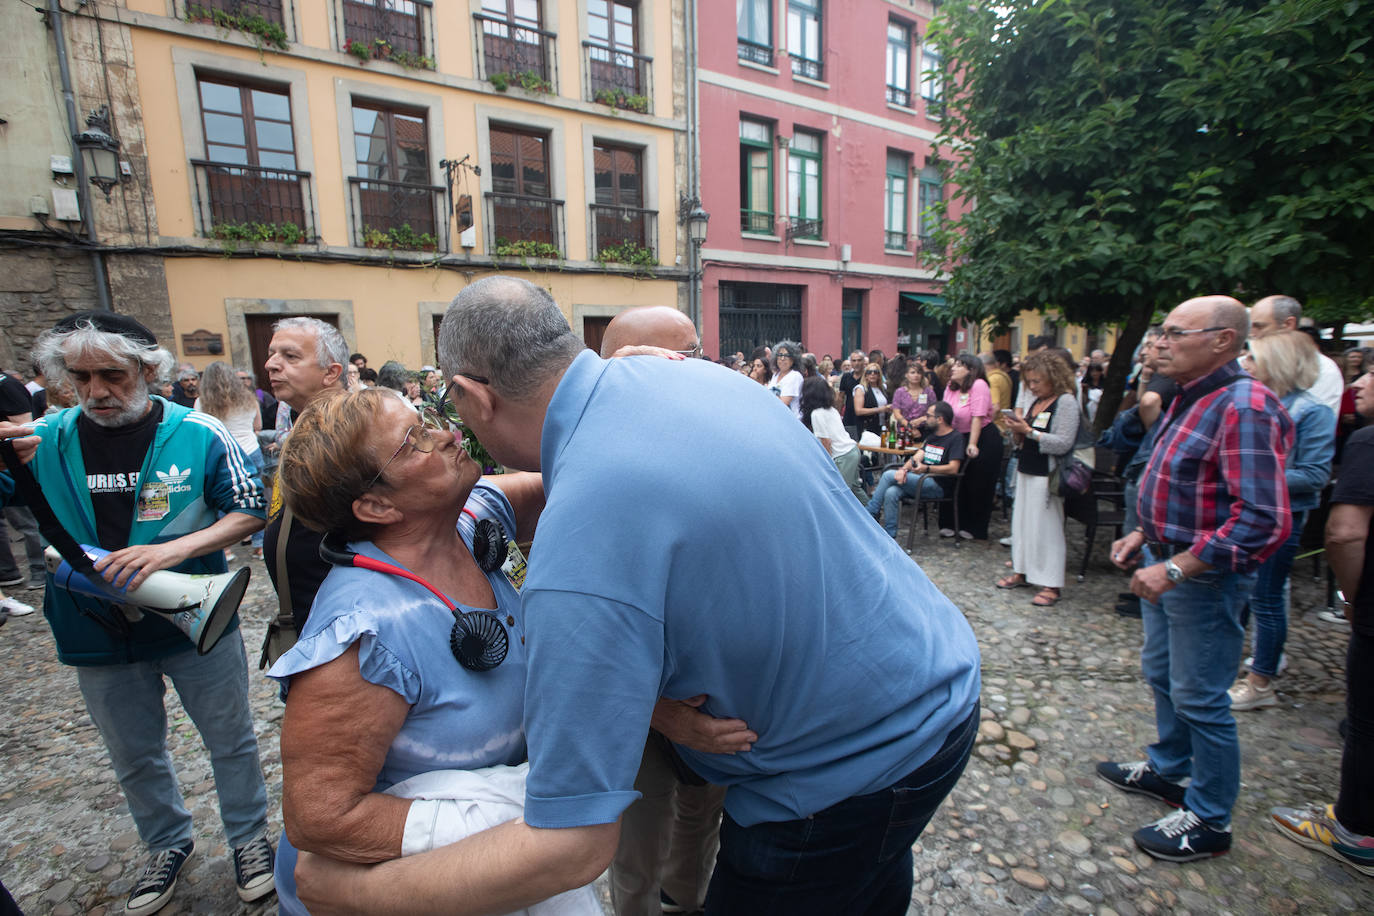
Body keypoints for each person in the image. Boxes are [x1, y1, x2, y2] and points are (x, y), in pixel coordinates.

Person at [294, 276, 982, 915]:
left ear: (475, 398)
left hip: (843, 776)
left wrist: (354, 895)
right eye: (415, 437)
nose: (445, 432)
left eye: (438, 413)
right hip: (932, 694)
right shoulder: (685, 377)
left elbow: (572, 843)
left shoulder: (573, 543)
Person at [265, 389, 592, 913]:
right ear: (376, 505)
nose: (448, 435)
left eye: (429, 422)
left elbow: (578, 476)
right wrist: (504, 831)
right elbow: (319, 818)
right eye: (414, 443)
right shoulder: (362, 635)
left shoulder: (472, 518)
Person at [0, 312, 274, 914]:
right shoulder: (41, 438)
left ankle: (250, 839)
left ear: (149, 370)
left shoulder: (201, 432)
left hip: (198, 620)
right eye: (80, 377)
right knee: (134, 754)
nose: (96, 391)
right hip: (92, 630)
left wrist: (169, 551)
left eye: (112, 375)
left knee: (230, 742)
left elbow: (252, 509)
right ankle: (165, 845)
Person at [1100, 296, 1292, 862]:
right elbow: (1174, 479)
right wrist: (1141, 534)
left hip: (1200, 577)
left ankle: (1209, 817)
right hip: (1164, 559)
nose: (1161, 340)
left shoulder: (1246, 405)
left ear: (1222, 341)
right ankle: (1168, 769)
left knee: (1202, 696)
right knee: (1162, 674)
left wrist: (1180, 565)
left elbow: (1263, 518)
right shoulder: (1192, 396)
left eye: (1176, 332)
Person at [599, 306, 747, 916]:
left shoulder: (727, 442)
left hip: (715, 698)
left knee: (699, 830)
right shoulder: (592, 469)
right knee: (634, 849)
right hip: (637, 711)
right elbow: (569, 630)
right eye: (680, 359)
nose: (698, 371)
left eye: (699, 356)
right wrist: (658, 711)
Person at [1268, 367, 1374, 876]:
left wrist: (1353, 599)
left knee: (1366, 720)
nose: (1363, 381)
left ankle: (1354, 829)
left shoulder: (1366, 442)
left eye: (1373, 375)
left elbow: (1346, 534)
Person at [1227, 331, 1334, 710]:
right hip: (1241, 514)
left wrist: (1248, 474)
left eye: (1253, 357)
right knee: (1236, 594)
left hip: (1279, 521)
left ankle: (1261, 682)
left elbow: (1315, 475)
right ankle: (1230, 668)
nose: (1245, 364)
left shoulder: (1311, 410)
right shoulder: (1252, 403)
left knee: (1266, 600)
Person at [260, 318, 348, 663]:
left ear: (331, 373)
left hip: (336, 629)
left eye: (290, 356)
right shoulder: (306, 421)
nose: (271, 364)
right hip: (307, 619)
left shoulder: (353, 428)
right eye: (271, 354)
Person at [995, 351, 1080, 607]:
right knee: (1022, 525)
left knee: (1047, 530)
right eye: (1029, 382)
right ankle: (1022, 571)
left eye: (1037, 381)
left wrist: (1029, 432)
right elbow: (1027, 436)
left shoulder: (1065, 402)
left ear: (1053, 377)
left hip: (1048, 473)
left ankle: (1051, 583)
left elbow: (1063, 443)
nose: (1032, 386)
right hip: (1026, 468)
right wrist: (1017, 433)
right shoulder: (1036, 402)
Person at [195, 361, 267, 559]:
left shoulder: (202, 402)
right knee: (256, 498)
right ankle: (259, 545)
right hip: (250, 450)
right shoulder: (249, 399)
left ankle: (224, 548)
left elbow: (201, 431)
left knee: (219, 500)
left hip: (222, 453)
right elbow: (257, 425)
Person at [865, 401, 965, 539]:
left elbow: (954, 468)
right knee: (891, 492)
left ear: (940, 419)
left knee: (888, 475)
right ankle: (889, 536)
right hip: (921, 479)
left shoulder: (955, 438)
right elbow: (916, 458)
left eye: (929, 416)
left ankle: (869, 513)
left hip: (939, 484)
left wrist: (927, 468)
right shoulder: (932, 437)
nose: (925, 418)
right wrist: (904, 470)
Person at [942, 354, 1003, 541]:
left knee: (977, 483)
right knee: (953, 480)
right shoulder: (951, 387)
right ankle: (951, 523)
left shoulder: (979, 385)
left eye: (959, 365)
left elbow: (978, 416)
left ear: (971, 369)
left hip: (982, 437)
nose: (953, 368)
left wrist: (972, 444)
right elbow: (945, 413)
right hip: (958, 436)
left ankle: (975, 526)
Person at [1249, 295, 1342, 411]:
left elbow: (1312, 419)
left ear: (1288, 325)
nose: (1252, 334)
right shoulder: (1245, 362)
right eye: (1251, 327)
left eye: (1259, 326)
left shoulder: (1323, 369)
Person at [0, 367, 44, 590]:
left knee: (29, 522)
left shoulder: (5, 384)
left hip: (18, 461)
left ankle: (39, 568)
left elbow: (25, 430)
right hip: (10, 467)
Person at [801, 375, 865, 503]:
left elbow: (826, 442)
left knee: (839, 493)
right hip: (852, 450)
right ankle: (871, 511)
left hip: (842, 455)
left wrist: (828, 465)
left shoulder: (816, 414)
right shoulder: (831, 410)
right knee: (854, 488)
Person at [891, 363, 937, 433]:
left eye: (919, 373)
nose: (916, 375)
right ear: (906, 375)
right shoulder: (899, 392)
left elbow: (934, 411)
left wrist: (922, 419)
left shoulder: (928, 392)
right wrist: (909, 426)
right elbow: (896, 413)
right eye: (913, 372)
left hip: (924, 429)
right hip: (904, 429)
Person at [852, 361, 892, 439]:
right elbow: (858, 411)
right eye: (869, 372)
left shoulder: (883, 388)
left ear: (879, 375)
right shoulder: (861, 388)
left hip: (882, 425)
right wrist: (879, 409)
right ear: (865, 375)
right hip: (867, 426)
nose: (872, 374)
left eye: (875, 372)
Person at [766, 341, 804, 420]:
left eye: (786, 356)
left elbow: (783, 403)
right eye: (780, 355)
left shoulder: (795, 376)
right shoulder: (776, 375)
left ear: (793, 359)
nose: (782, 358)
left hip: (790, 421)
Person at [838, 349, 867, 439]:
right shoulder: (846, 377)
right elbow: (841, 397)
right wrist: (838, 414)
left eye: (859, 360)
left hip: (864, 416)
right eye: (854, 361)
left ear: (863, 361)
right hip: (849, 415)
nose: (856, 363)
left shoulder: (868, 377)